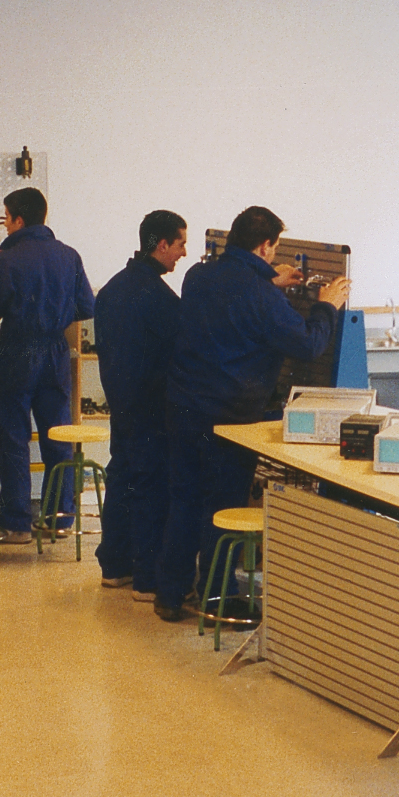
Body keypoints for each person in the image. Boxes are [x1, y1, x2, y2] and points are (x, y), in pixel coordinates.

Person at [154, 206, 349, 623]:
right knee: (222, 505)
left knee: (184, 500)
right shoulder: (263, 298)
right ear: (264, 246)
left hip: (183, 408)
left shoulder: (197, 276)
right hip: (229, 418)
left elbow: (233, 298)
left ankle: (170, 594)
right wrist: (327, 306)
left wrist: (269, 279)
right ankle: (217, 599)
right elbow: (309, 345)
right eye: (273, 248)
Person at [0, 187, 96, 544]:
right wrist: (54, 317)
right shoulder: (69, 256)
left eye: (6, 217)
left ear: (18, 219)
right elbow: (87, 307)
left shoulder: (6, 261)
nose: (5, 225)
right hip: (55, 351)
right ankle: (60, 519)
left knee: (13, 438)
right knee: (58, 436)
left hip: (16, 351)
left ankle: (17, 524)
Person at [92, 210, 187, 601]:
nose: (184, 253)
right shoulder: (161, 299)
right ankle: (148, 579)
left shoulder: (112, 289)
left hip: (122, 403)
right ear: (161, 245)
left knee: (122, 477)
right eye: (180, 244)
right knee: (152, 486)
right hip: (153, 407)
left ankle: (115, 567)